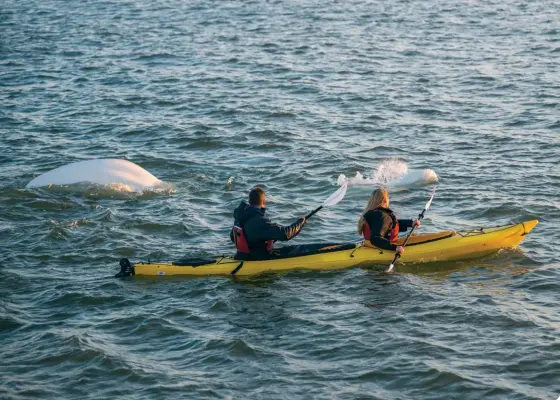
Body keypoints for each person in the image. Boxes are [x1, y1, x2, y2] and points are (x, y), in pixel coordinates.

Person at [231, 187, 307, 260]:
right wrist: (300, 223)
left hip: (241, 256)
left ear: (249, 201)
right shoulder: (260, 221)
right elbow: (285, 234)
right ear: (264, 202)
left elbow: (233, 237)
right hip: (258, 258)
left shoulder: (240, 217)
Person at [357, 188, 420, 255]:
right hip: (380, 248)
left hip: (370, 246)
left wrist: (410, 223)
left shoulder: (373, 214)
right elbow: (375, 239)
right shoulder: (380, 215)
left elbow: (389, 226)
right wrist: (394, 248)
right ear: (384, 200)